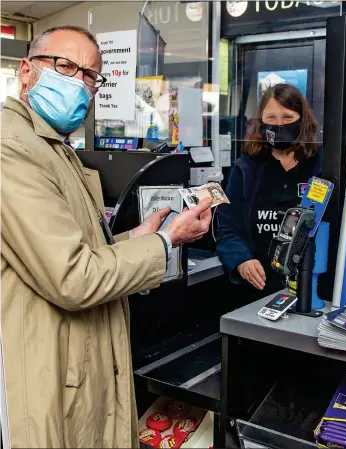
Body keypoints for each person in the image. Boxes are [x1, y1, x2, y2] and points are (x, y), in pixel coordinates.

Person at [0, 26, 212, 448]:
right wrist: (166, 241)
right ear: (26, 71)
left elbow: (79, 250)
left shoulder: (54, 147)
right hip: (45, 364)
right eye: (65, 66)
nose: (79, 83)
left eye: (90, 76)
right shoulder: (12, 148)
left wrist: (138, 234)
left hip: (76, 358)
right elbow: (73, 277)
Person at [216, 83, 321, 299]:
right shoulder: (246, 169)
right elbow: (227, 228)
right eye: (271, 118)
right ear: (261, 122)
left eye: (288, 117)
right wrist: (241, 260)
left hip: (313, 290)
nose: (279, 124)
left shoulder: (322, 166)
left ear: (303, 120)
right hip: (257, 291)